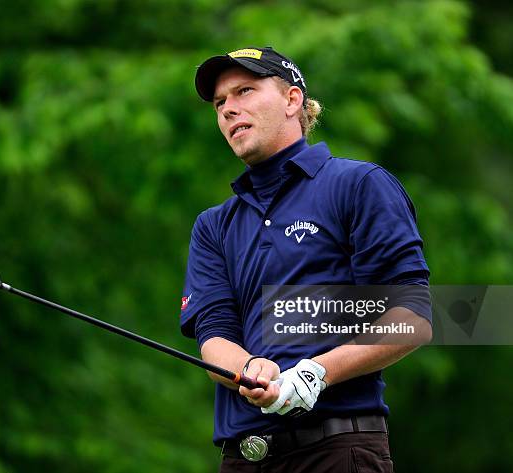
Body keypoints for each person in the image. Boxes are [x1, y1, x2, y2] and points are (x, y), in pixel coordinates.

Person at [180, 46, 432, 472]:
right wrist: (249, 368)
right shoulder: (213, 225)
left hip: (338, 450)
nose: (228, 109)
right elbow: (214, 336)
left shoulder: (358, 185)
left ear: (293, 100)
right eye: (220, 102)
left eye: (244, 91)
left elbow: (413, 318)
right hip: (243, 458)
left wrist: (314, 374)